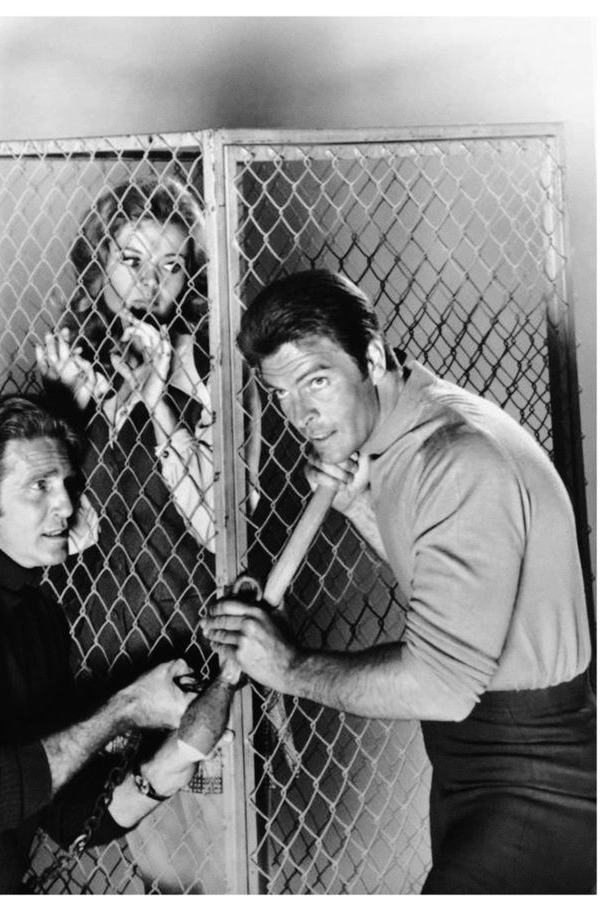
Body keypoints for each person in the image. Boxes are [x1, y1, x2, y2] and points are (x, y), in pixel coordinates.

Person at [202, 269, 596, 894]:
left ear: (374, 357)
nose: (301, 414)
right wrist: (360, 507)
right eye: (281, 394)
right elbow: (462, 599)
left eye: (318, 382)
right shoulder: (410, 430)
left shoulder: (458, 459)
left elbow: (441, 684)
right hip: (482, 757)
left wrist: (290, 667)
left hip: (530, 773)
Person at [35, 177, 256, 893]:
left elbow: (218, 523)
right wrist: (66, 411)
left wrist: (162, 403)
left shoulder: (214, 370)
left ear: (189, 279)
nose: (147, 284)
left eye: (169, 266)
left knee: (216, 866)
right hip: (100, 666)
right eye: (130, 260)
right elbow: (58, 538)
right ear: (98, 266)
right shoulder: (73, 372)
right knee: (147, 863)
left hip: (192, 661)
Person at [0, 395, 204, 894]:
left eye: (67, 484)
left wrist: (176, 757)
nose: (65, 504)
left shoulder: (39, 616)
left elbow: (66, 815)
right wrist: (125, 709)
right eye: (39, 486)